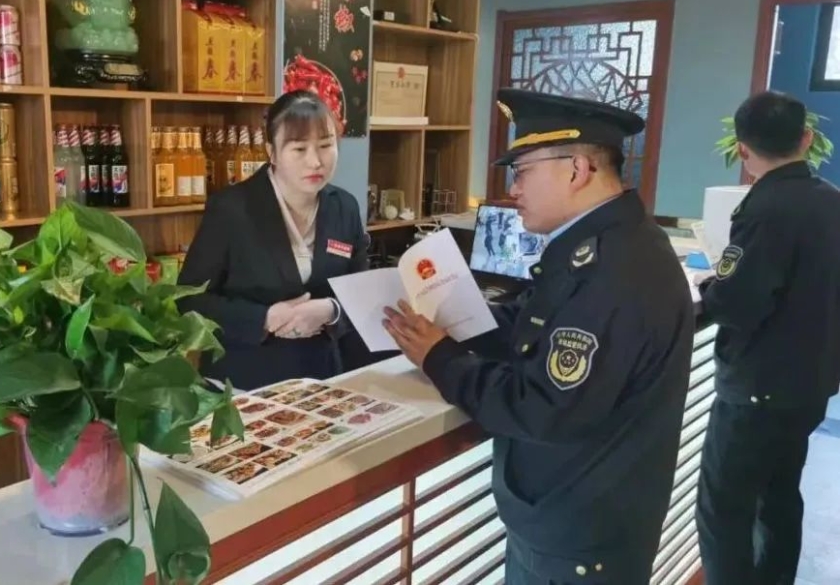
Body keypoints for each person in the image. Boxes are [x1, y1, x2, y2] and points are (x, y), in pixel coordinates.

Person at [382, 88, 695, 584]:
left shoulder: (615, 270)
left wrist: (440, 358)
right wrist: (460, 323)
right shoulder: (605, 243)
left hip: (580, 537)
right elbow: (533, 323)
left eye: (523, 171)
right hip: (572, 518)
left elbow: (543, 407)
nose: (513, 189)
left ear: (576, 169)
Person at [695, 91, 840, 585]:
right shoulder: (831, 200)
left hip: (758, 389)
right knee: (778, 497)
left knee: (724, 512)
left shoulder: (764, 207)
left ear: (742, 149)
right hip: (811, 383)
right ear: (807, 138)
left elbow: (736, 305)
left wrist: (711, 287)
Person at [177, 90, 370, 390]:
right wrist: (264, 318)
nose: (315, 161)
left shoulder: (344, 207)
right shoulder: (232, 209)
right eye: (299, 148)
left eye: (325, 145)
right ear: (272, 152)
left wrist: (331, 310)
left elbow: (362, 291)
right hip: (243, 381)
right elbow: (189, 299)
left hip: (322, 380)